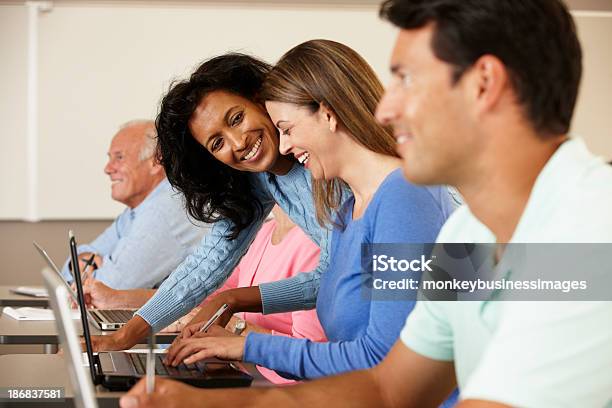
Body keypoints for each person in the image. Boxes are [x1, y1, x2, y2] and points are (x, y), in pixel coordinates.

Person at [120, 0, 612, 407]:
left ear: (484, 83)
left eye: (407, 79)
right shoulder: (467, 237)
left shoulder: (590, 235)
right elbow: (387, 385)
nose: (384, 107)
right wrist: (204, 401)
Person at [163, 39, 455, 387]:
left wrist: (248, 346)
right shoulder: (347, 212)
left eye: (286, 129)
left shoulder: (405, 198)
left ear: (328, 114)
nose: (283, 146)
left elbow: (383, 360)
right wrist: (237, 338)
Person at [90, 54, 335, 352]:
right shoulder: (260, 180)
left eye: (236, 118)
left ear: (259, 99)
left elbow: (338, 275)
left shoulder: (326, 165)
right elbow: (204, 266)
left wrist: (233, 300)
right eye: (217, 143)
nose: (238, 143)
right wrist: (125, 336)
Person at [60, 120, 207, 289]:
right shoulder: (138, 209)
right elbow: (69, 268)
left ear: (157, 161)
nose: (107, 169)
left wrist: (87, 270)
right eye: (110, 158)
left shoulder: (164, 209)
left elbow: (111, 287)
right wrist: (82, 265)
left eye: (119, 157)